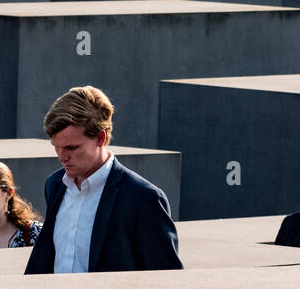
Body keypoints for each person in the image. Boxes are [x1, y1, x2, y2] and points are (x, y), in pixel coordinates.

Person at [24, 86, 182, 274]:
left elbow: (166, 277)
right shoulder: (54, 184)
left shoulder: (144, 199)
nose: (61, 156)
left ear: (100, 138)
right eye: (56, 147)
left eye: (71, 148)